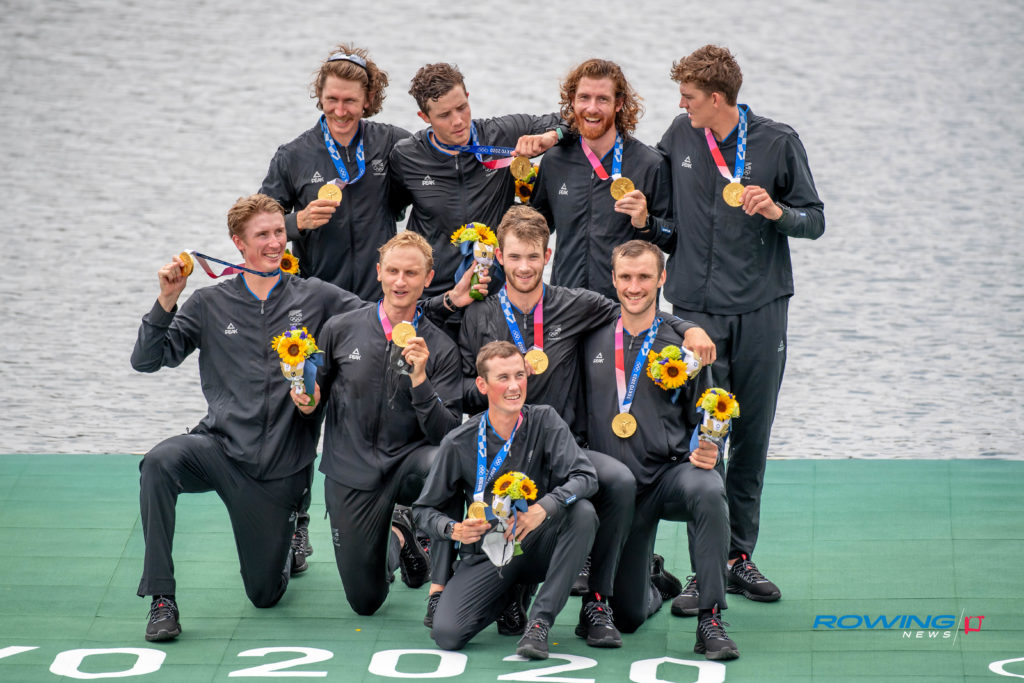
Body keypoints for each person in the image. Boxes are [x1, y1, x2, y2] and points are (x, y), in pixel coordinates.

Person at [455, 205, 713, 648]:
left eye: (533, 256)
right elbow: (461, 388)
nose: (523, 266)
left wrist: (688, 327)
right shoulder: (479, 315)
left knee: (618, 480)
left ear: (548, 256)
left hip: (563, 450)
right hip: (500, 453)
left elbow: (638, 310)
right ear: (499, 256)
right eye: (514, 256)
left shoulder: (576, 304)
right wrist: (500, 385)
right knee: (488, 613)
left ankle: (598, 599)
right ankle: (499, 588)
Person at [130, 194, 365, 642]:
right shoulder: (208, 303)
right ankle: (161, 599)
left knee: (264, 595)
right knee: (158, 463)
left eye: (279, 232)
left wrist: (447, 303)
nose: (276, 242)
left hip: (280, 469)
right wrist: (167, 300)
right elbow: (147, 360)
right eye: (263, 235)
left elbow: (377, 319)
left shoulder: (315, 296)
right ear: (238, 243)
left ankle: (294, 523)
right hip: (218, 449)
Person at [640, 44, 825, 602]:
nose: (682, 105)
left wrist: (777, 212)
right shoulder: (679, 136)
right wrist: (646, 223)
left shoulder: (777, 141)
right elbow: (666, 224)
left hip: (762, 309)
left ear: (716, 98)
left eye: (689, 96)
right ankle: (705, 567)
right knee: (703, 437)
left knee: (751, 435)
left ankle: (738, 557)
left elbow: (814, 221)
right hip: (696, 313)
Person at [582, 240, 737, 660]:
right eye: (626, 277)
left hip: (667, 478)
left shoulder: (683, 345)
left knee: (708, 487)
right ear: (613, 279)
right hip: (617, 491)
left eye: (645, 277)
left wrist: (710, 445)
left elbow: (709, 410)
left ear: (662, 278)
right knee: (628, 617)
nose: (634, 287)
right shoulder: (590, 336)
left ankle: (710, 618)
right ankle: (653, 581)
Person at [309, 232, 463, 616]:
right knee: (366, 601)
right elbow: (313, 402)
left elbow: (447, 434)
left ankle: (442, 587)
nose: (400, 282)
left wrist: (420, 379)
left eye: (411, 273)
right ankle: (400, 536)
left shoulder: (441, 347)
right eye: (393, 271)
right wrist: (301, 397)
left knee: (449, 463)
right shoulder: (339, 329)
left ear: (428, 278)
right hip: (352, 469)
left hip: (410, 464)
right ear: (378, 272)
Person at [413, 342, 598, 660]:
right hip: (489, 551)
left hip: (534, 538)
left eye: (519, 375)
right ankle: (508, 595)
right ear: (482, 385)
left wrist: (544, 508)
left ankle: (539, 622)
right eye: (503, 378)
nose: (514, 386)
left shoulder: (544, 420)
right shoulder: (458, 441)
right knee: (447, 634)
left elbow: (585, 477)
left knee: (582, 512)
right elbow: (423, 510)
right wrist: (453, 529)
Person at [389, 62, 568, 300]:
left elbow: (576, 119)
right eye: (444, 115)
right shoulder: (406, 156)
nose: (458, 121)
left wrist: (552, 136)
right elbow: (393, 211)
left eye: (462, 107)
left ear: (467, 96)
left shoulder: (503, 134)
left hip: (491, 292)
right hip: (432, 294)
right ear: (424, 117)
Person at [260, 43, 410, 300]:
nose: (340, 112)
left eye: (350, 101)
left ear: (368, 99)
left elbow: (441, 168)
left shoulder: (393, 143)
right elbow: (257, 228)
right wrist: (299, 221)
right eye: (332, 99)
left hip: (380, 301)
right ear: (320, 96)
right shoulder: (293, 155)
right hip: (318, 302)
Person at [531, 59, 672, 299]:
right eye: (584, 97)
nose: (592, 108)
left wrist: (646, 222)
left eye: (603, 99)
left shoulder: (649, 164)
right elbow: (537, 227)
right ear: (572, 100)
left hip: (625, 306)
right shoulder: (555, 160)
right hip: (566, 303)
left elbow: (672, 238)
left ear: (619, 103)